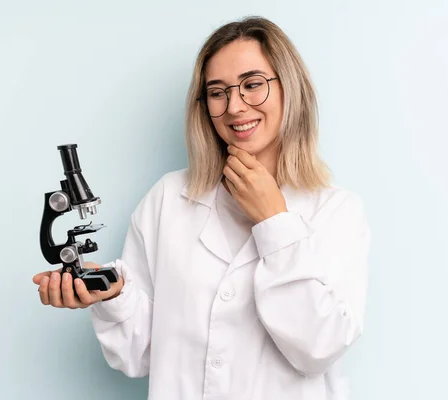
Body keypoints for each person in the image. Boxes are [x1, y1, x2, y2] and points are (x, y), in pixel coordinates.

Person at [33, 16, 371, 400]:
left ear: (289, 88)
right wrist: (113, 296)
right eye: (217, 92)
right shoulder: (168, 199)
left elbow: (319, 347)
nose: (235, 107)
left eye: (253, 85)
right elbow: (136, 356)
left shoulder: (337, 212)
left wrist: (275, 221)